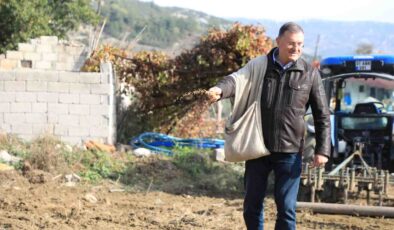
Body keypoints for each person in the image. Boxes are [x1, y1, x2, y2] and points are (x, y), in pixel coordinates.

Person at [207, 22, 331, 230]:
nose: (296, 48)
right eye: (291, 43)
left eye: (300, 44)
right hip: (257, 147)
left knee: (286, 207)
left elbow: (322, 115)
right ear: (279, 41)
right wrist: (219, 90)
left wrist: (322, 150)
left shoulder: (309, 74)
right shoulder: (259, 67)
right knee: (251, 206)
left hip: (290, 151)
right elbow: (236, 81)